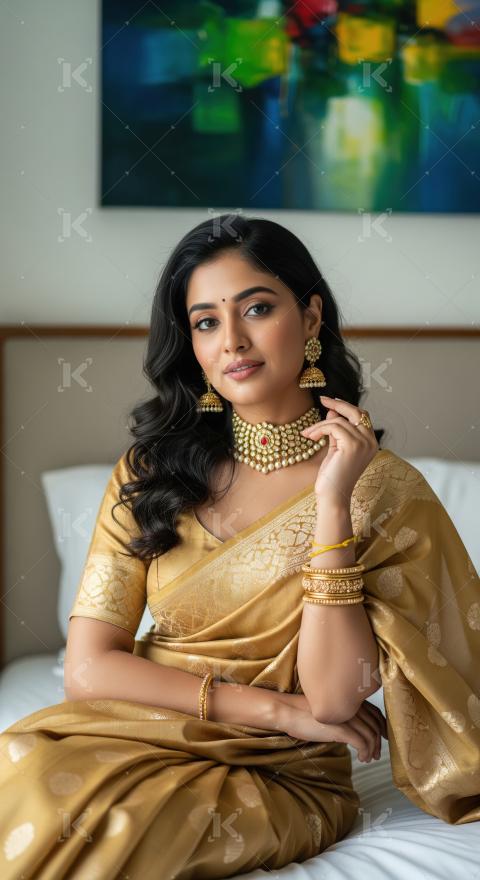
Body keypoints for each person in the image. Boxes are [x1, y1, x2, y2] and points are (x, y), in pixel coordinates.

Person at [0, 214, 478, 879]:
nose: (233, 341)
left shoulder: (386, 493)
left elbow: (336, 702)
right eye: (205, 321)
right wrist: (275, 708)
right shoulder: (150, 472)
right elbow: (87, 671)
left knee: (110, 829)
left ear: (310, 318)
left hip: (280, 772)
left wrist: (333, 505)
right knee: (19, 784)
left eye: (256, 308)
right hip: (133, 728)